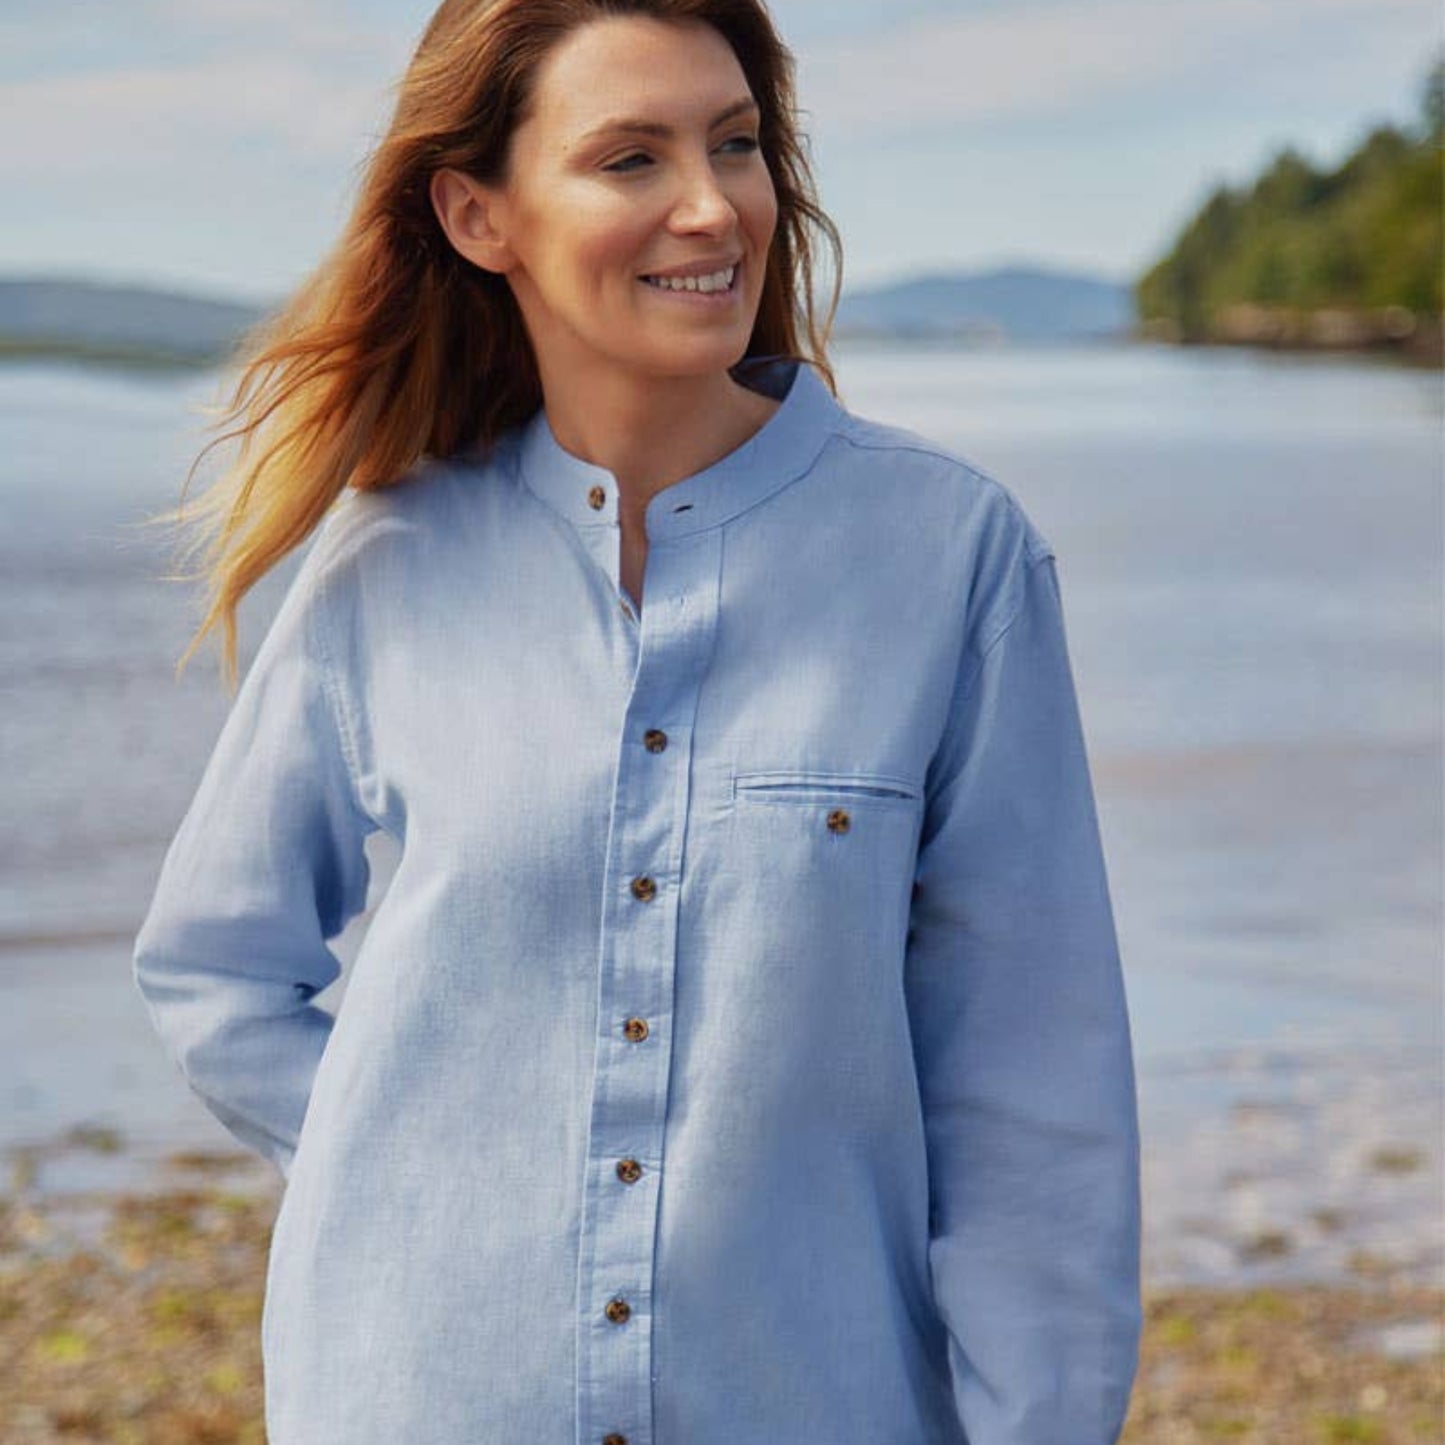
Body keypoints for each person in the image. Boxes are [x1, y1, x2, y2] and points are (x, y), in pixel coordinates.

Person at [133, 1, 1142, 1441]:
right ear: (479, 215)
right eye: (630, 158)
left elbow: (1030, 1092)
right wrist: (417, 1172)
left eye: (735, 144)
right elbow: (214, 966)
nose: (711, 206)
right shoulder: (388, 564)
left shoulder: (946, 555)